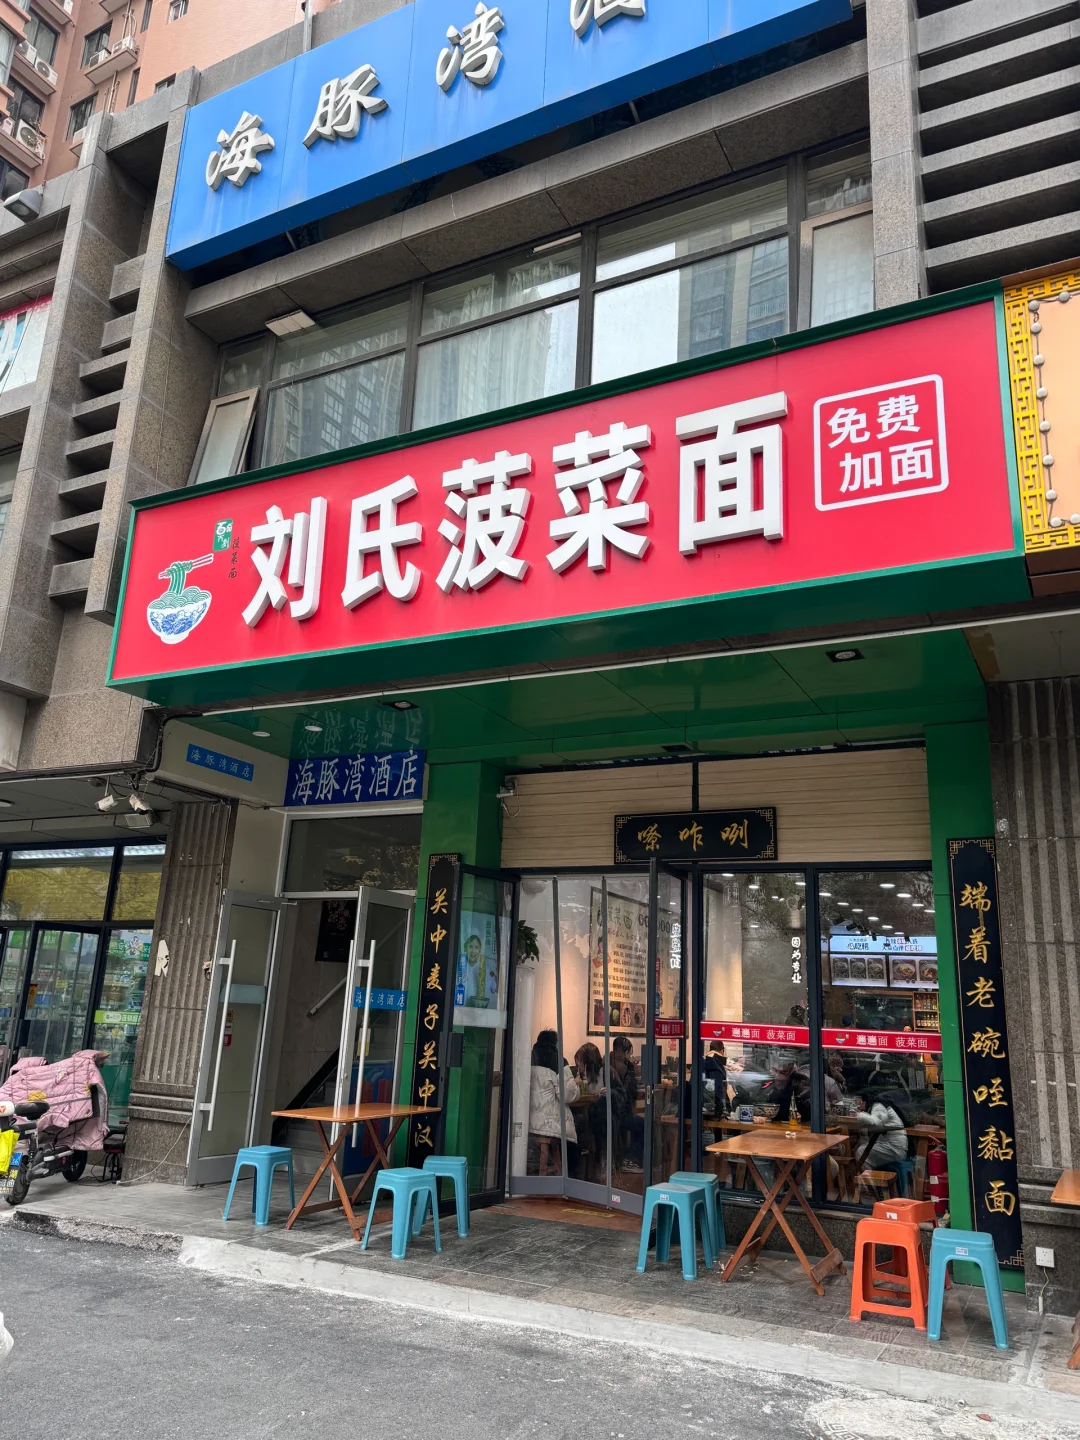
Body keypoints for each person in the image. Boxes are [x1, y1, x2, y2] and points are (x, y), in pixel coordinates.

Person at [528, 1030, 579, 1176]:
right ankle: (571, 1177)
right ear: (555, 1044)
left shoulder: (528, 1058)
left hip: (528, 1121)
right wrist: (576, 1085)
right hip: (550, 1124)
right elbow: (568, 1095)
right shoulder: (559, 1062)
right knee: (577, 1140)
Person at [851, 1089, 909, 1174]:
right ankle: (866, 1177)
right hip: (888, 1146)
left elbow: (875, 1121)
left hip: (894, 1148)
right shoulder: (873, 1108)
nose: (857, 1106)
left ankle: (869, 1180)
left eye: (858, 1102)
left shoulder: (878, 1107)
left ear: (864, 1102)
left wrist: (858, 1115)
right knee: (859, 1148)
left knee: (861, 1151)